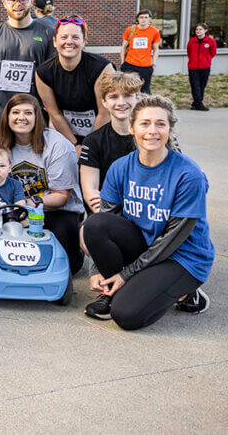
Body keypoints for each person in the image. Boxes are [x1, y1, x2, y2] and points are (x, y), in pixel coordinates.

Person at [82, 95, 214, 329]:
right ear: (132, 128)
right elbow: (104, 218)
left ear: (170, 130)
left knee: (126, 316)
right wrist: (96, 271)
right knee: (94, 225)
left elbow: (172, 240)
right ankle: (111, 291)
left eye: (160, 124)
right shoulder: (121, 167)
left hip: (181, 257)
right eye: (144, 123)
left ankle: (188, 293)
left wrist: (126, 275)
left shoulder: (188, 175)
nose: (152, 131)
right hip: (145, 245)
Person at [0, 94, 85, 274]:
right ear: (7, 117)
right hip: (18, 208)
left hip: (57, 210)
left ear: (37, 117)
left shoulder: (57, 145)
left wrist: (28, 204)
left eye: (28, 112)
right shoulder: (2, 145)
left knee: (65, 265)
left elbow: (61, 197)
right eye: (16, 112)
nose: (21, 117)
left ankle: (76, 249)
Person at [35, 16, 115, 147]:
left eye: (76, 37)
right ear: (55, 42)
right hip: (66, 134)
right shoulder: (43, 72)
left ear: (84, 42)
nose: (69, 42)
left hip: (101, 132)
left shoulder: (102, 68)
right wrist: (75, 145)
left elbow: (105, 112)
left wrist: (90, 147)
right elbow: (54, 113)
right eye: (64, 37)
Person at [0, 0, 55, 109]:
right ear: (4, 3)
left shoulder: (47, 33)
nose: (18, 4)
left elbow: (52, 74)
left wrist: (49, 109)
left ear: (32, 1)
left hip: (35, 110)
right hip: (0, 110)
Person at [79, 72, 143, 214]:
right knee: (89, 228)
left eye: (127, 95)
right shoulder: (93, 141)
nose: (121, 102)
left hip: (146, 212)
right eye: (113, 97)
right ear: (104, 102)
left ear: (138, 99)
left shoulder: (151, 137)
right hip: (106, 214)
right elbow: (90, 192)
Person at [120, 10, 161, 94]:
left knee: (145, 91)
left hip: (146, 66)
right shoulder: (130, 30)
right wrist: (122, 62)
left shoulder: (155, 32)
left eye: (146, 17)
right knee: (128, 89)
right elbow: (123, 47)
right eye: (141, 17)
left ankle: (144, 107)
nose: (144, 19)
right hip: (130, 64)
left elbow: (156, 49)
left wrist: (153, 63)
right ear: (137, 19)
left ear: (150, 19)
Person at [187, 23, 217, 111]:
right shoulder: (192, 41)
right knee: (195, 86)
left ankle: (195, 103)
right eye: (197, 29)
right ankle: (200, 105)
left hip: (205, 67)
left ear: (205, 30)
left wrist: (206, 60)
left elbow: (213, 53)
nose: (198, 31)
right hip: (193, 67)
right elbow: (189, 52)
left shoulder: (210, 41)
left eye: (200, 29)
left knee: (202, 86)